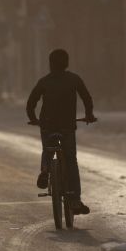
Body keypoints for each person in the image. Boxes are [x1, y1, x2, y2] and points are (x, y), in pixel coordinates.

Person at [26, 49, 96, 215]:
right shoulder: (74, 79)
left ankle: (45, 170)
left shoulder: (44, 81)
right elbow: (87, 98)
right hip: (67, 126)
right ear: (67, 63)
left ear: (50, 64)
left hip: (47, 125)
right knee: (71, 161)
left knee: (47, 150)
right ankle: (76, 200)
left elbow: (31, 103)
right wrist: (89, 115)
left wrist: (34, 119)